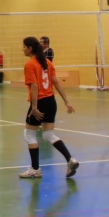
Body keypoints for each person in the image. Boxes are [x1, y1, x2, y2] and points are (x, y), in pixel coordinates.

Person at [19, 37, 79, 179]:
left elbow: (34, 86)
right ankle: (70, 160)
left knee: (29, 135)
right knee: (48, 135)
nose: (22, 49)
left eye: (24, 47)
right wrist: (67, 101)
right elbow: (56, 82)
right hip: (51, 101)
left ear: (30, 48)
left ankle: (35, 169)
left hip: (39, 102)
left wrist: (34, 107)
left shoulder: (30, 65)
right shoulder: (47, 62)